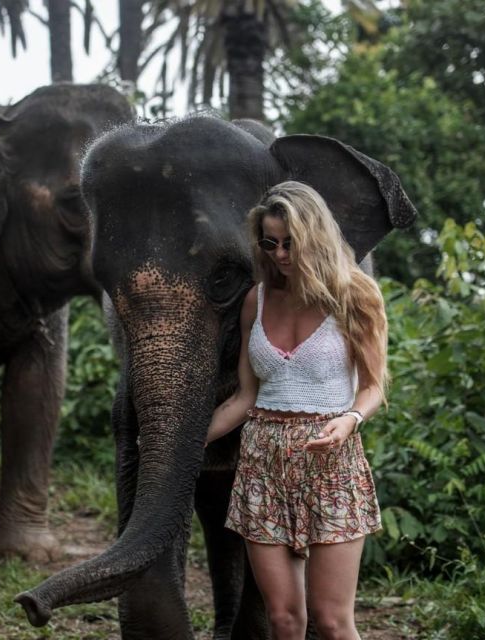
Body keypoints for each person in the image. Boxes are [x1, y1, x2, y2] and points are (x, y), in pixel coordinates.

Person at [205, 181, 386, 640]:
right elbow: (245, 397)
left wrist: (351, 419)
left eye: (290, 242)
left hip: (332, 462)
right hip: (262, 465)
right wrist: (184, 442)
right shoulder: (257, 300)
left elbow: (372, 387)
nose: (280, 254)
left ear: (316, 235)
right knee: (284, 620)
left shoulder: (356, 297)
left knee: (331, 620)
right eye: (270, 243)